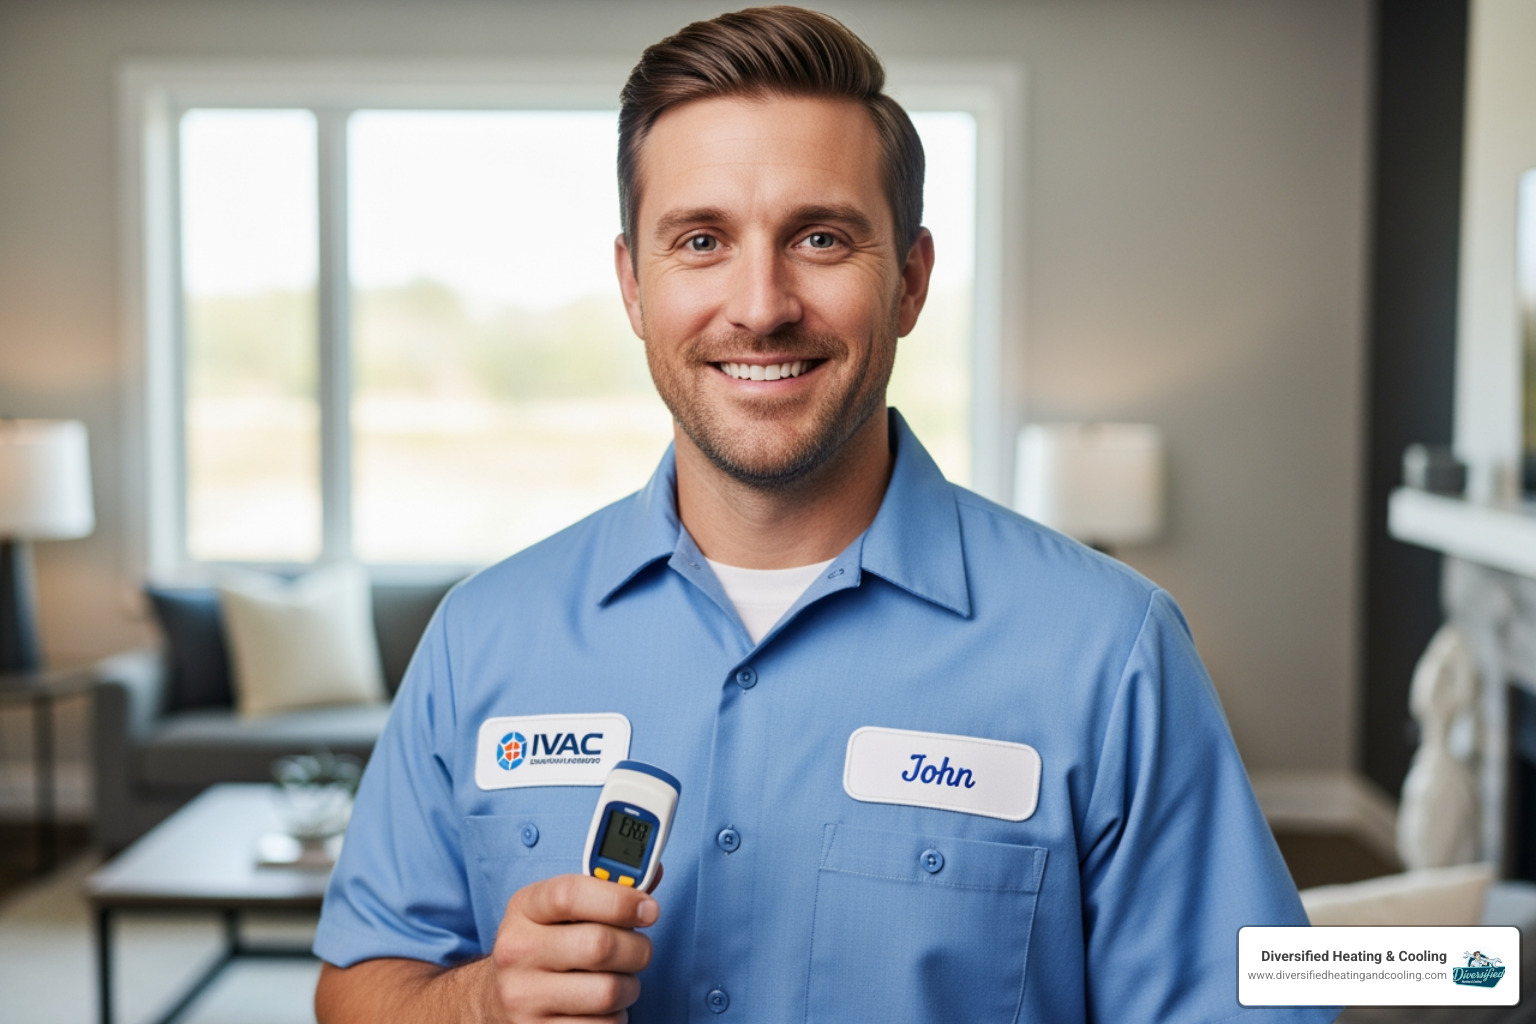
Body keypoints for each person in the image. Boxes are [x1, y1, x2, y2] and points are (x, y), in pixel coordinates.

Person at [313, 8, 1337, 1023]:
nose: (761, 305)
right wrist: (482, 1005)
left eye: (821, 236)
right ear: (633, 284)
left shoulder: (1113, 654)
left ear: (910, 281)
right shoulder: (481, 637)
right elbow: (358, 987)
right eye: (703, 239)